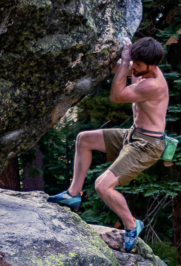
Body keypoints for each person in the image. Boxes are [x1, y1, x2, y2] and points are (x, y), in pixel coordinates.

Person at [48, 36, 169, 252]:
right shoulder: (142, 68)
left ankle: (132, 225)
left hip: (147, 145)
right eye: (133, 62)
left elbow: (116, 95)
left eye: (137, 65)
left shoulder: (153, 85)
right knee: (84, 139)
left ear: (152, 65)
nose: (134, 67)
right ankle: (73, 195)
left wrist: (124, 63)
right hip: (134, 134)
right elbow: (118, 69)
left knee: (102, 186)